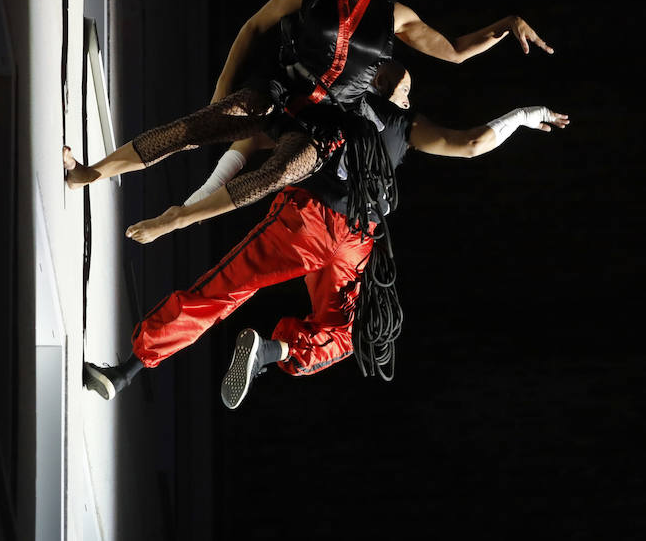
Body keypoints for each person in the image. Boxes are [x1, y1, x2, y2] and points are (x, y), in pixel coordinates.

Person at [83, 59, 569, 408]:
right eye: (398, 78)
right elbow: (474, 143)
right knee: (277, 306)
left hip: (328, 228)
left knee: (323, 324)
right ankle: (142, 370)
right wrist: (528, 115)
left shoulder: (377, 113)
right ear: (381, 80)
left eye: (405, 84)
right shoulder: (362, 109)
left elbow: (473, 142)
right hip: (344, 231)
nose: (401, 83)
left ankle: (257, 355)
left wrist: (526, 115)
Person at [64, 0, 553, 237]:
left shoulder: (393, 16)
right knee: (194, 128)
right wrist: (222, 89)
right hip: (282, 93)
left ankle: (178, 219)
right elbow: (255, 25)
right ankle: (92, 172)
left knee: (274, 174)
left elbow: (453, 51)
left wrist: (506, 25)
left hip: (328, 124)